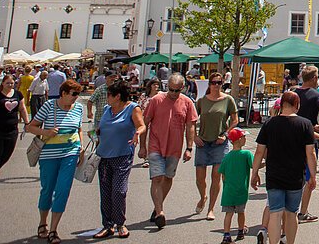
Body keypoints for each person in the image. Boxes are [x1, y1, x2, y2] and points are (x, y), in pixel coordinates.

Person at [252, 91, 317, 244]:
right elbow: (310, 153)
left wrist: (254, 173)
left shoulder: (269, 123)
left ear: (281, 106)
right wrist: (313, 175)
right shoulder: (305, 124)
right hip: (295, 176)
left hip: (274, 175)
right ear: (297, 105)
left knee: (275, 212)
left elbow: (259, 151)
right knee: (291, 212)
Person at [27, 78, 86, 244]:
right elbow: (30, 127)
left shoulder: (78, 108)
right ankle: (42, 222)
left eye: (78, 94)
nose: (76, 97)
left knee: (63, 190)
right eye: (73, 94)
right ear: (64, 93)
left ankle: (53, 229)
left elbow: (79, 128)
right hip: (49, 155)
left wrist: (81, 146)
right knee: (48, 189)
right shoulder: (49, 106)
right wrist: (46, 132)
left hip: (70, 153)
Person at [140, 73, 198, 229]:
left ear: (182, 88)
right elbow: (144, 123)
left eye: (176, 90)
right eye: (171, 90)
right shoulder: (156, 100)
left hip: (174, 147)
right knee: (157, 178)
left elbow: (190, 126)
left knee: (168, 178)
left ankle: (157, 205)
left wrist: (189, 148)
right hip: (155, 145)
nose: (173, 93)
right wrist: (142, 146)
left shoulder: (187, 102)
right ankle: (160, 212)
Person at [94, 79, 145, 239]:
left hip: (122, 156)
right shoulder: (107, 109)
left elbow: (142, 125)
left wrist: (138, 133)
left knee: (118, 191)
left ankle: (120, 224)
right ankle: (107, 225)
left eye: (109, 95)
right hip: (104, 156)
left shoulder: (132, 108)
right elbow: (102, 128)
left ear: (118, 96)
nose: (106, 97)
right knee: (105, 192)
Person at [195, 70, 239, 221]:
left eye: (219, 83)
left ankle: (211, 208)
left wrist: (226, 134)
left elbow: (235, 120)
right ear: (209, 84)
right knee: (200, 178)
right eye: (213, 83)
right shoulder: (202, 101)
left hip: (220, 142)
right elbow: (192, 120)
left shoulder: (228, 100)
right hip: (203, 141)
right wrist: (194, 137)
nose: (216, 86)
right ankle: (203, 197)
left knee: (216, 175)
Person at [293, 65, 319, 223]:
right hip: (310, 139)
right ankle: (302, 212)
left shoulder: (293, 93)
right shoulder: (317, 95)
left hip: (292, 137)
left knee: (294, 174)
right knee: (309, 176)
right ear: (314, 78)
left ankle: (290, 209)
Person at [218, 128, 253, 244]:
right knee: (241, 212)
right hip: (241, 190)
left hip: (228, 191)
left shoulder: (227, 157)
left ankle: (226, 235)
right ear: (239, 140)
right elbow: (254, 165)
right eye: (244, 137)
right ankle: (240, 230)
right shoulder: (246, 154)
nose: (245, 139)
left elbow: (222, 173)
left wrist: (226, 184)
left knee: (229, 214)